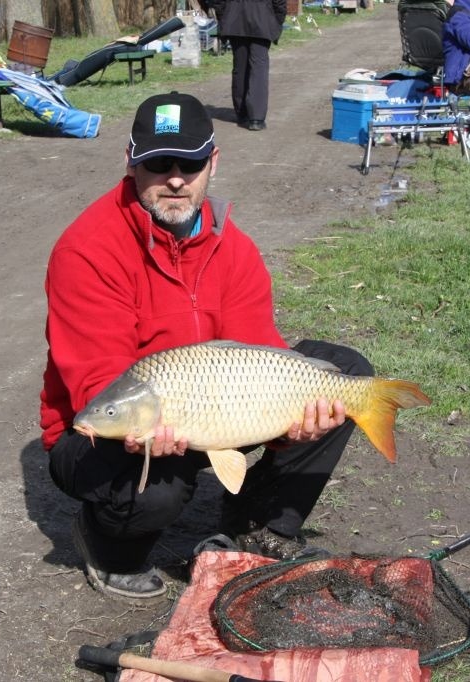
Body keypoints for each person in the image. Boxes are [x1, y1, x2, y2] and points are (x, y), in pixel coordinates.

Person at [40, 92, 373, 601]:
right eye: (158, 163)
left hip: (216, 405)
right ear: (130, 162)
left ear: (212, 163)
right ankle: (109, 547)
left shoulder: (232, 247)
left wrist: (294, 428)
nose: (176, 178)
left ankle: (257, 526)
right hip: (109, 426)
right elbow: (97, 379)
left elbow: (259, 351)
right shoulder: (87, 248)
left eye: (190, 163)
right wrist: (145, 430)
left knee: (342, 373)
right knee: (160, 489)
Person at [206, 0, 287, 131]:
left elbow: (218, 2)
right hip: (262, 19)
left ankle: (243, 113)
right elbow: (280, 3)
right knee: (259, 68)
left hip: (235, 19)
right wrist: (277, 20)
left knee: (240, 66)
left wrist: (225, 15)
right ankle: (256, 118)